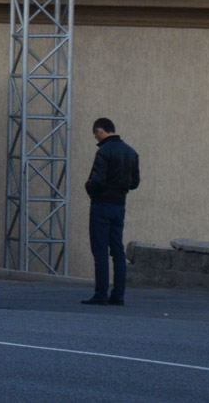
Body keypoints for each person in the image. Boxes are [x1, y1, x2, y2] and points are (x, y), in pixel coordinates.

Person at [81, 117, 141, 305]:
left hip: (101, 205)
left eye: (96, 135)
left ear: (100, 131)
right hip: (119, 205)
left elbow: (97, 180)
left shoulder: (104, 152)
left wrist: (89, 188)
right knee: (117, 250)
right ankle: (118, 295)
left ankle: (100, 294)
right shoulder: (131, 152)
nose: (96, 139)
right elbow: (135, 183)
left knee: (100, 251)